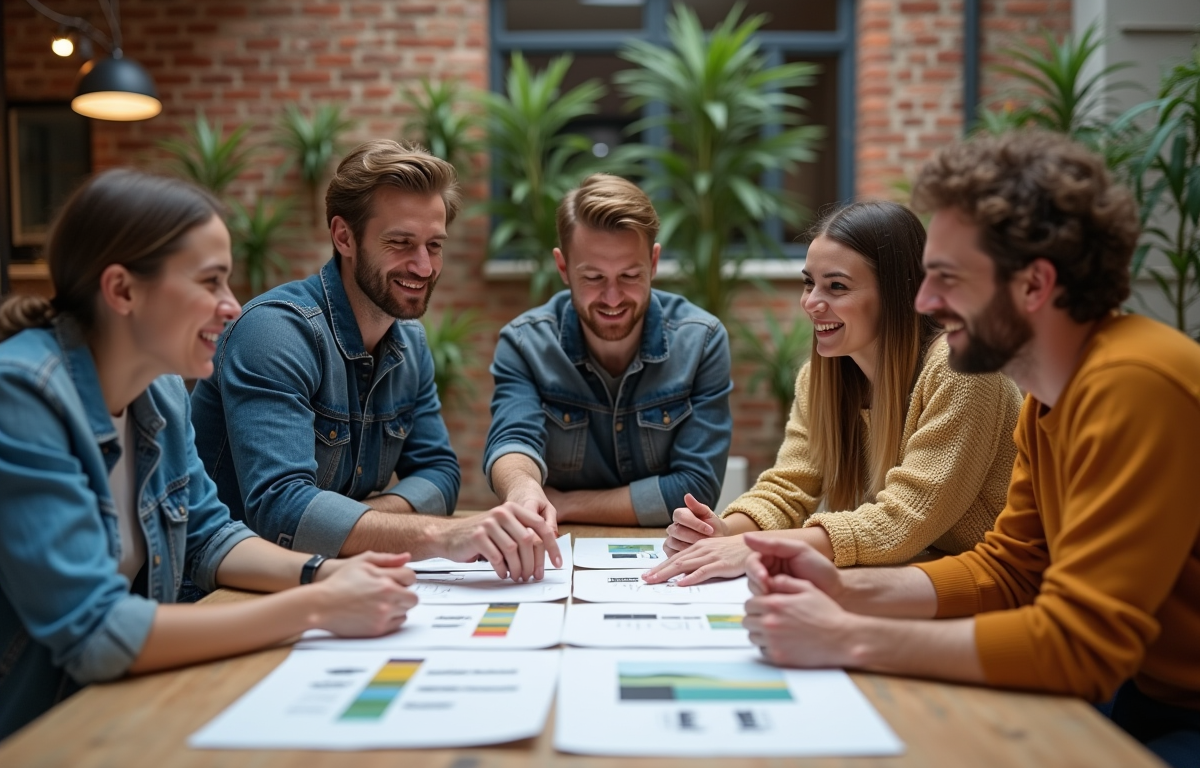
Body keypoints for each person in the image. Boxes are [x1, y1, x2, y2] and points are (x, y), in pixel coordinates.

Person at [741, 132, 1200, 768]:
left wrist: (851, 637)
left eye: (948, 279)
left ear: (1035, 285)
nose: (924, 302)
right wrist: (845, 591)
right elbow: (1008, 572)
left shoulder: (1134, 383)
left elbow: (1081, 647)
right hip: (1145, 693)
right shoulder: (1048, 399)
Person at [0, 170, 419, 740]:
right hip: (40, 729)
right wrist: (316, 608)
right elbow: (95, 633)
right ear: (122, 290)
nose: (232, 306)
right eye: (210, 281)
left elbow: (209, 535)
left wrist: (325, 574)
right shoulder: (22, 395)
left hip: (128, 704)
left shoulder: (163, 388)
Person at [191, 140, 560, 580]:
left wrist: (356, 521)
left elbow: (440, 474)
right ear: (344, 237)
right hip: (227, 592)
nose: (423, 267)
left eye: (434, 245)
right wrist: (437, 535)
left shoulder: (410, 343)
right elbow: (281, 509)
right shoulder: (274, 333)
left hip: (333, 581)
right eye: (401, 243)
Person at [645, 200, 1022, 585]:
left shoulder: (964, 368)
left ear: (897, 293)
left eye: (836, 286)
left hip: (1004, 589)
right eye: (810, 282)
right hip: (926, 578)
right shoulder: (822, 376)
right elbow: (789, 487)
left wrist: (758, 546)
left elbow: (905, 519)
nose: (811, 303)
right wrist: (725, 531)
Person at [484, 173, 733, 527]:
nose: (613, 298)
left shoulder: (701, 342)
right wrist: (523, 488)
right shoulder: (525, 344)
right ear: (563, 268)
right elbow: (513, 439)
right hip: (556, 547)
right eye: (594, 278)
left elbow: (696, 488)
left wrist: (565, 504)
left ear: (654, 262)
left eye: (630, 276)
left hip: (663, 554)